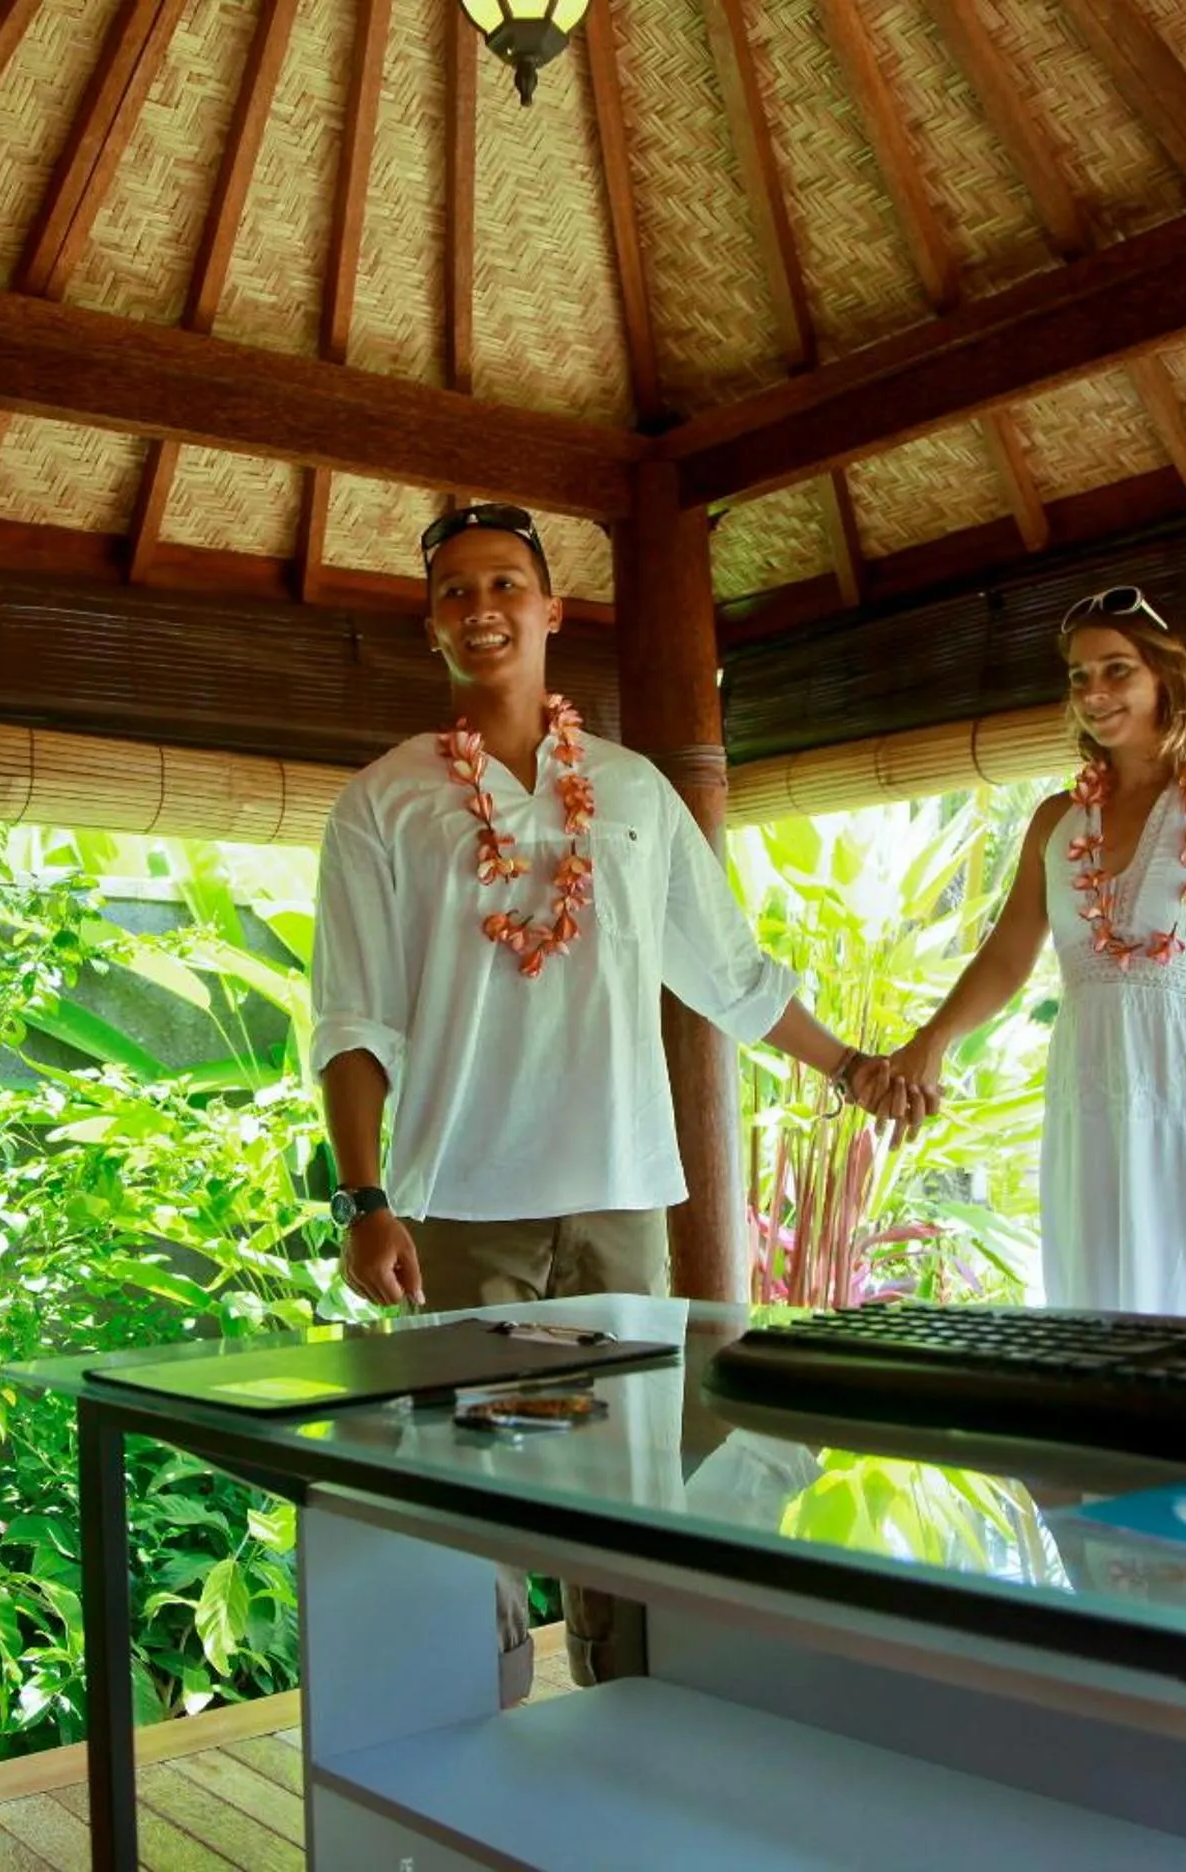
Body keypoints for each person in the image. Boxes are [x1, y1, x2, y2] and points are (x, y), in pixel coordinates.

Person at [311, 502, 910, 1694]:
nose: (482, 609)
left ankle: (633, 1725)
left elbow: (728, 974)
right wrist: (364, 1198)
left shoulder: (635, 792)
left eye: (504, 586)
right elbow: (352, 1020)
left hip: (623, 1199)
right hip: (458, 1205)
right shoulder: (380, 802)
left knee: (626, 1497)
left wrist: (848, 1066)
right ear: (432, 624)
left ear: (551, 610)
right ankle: (468, 1741)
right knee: (466, 1503)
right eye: (455, 593)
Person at [885, 586, 1186, 1321]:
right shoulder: (1055, 820)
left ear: (1165, 676)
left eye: (1117, 670)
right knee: (1094, 1307)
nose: (1094, 692)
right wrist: (933, 1039)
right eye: (1079, 677)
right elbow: (1008, 954)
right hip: (1090, 1091)